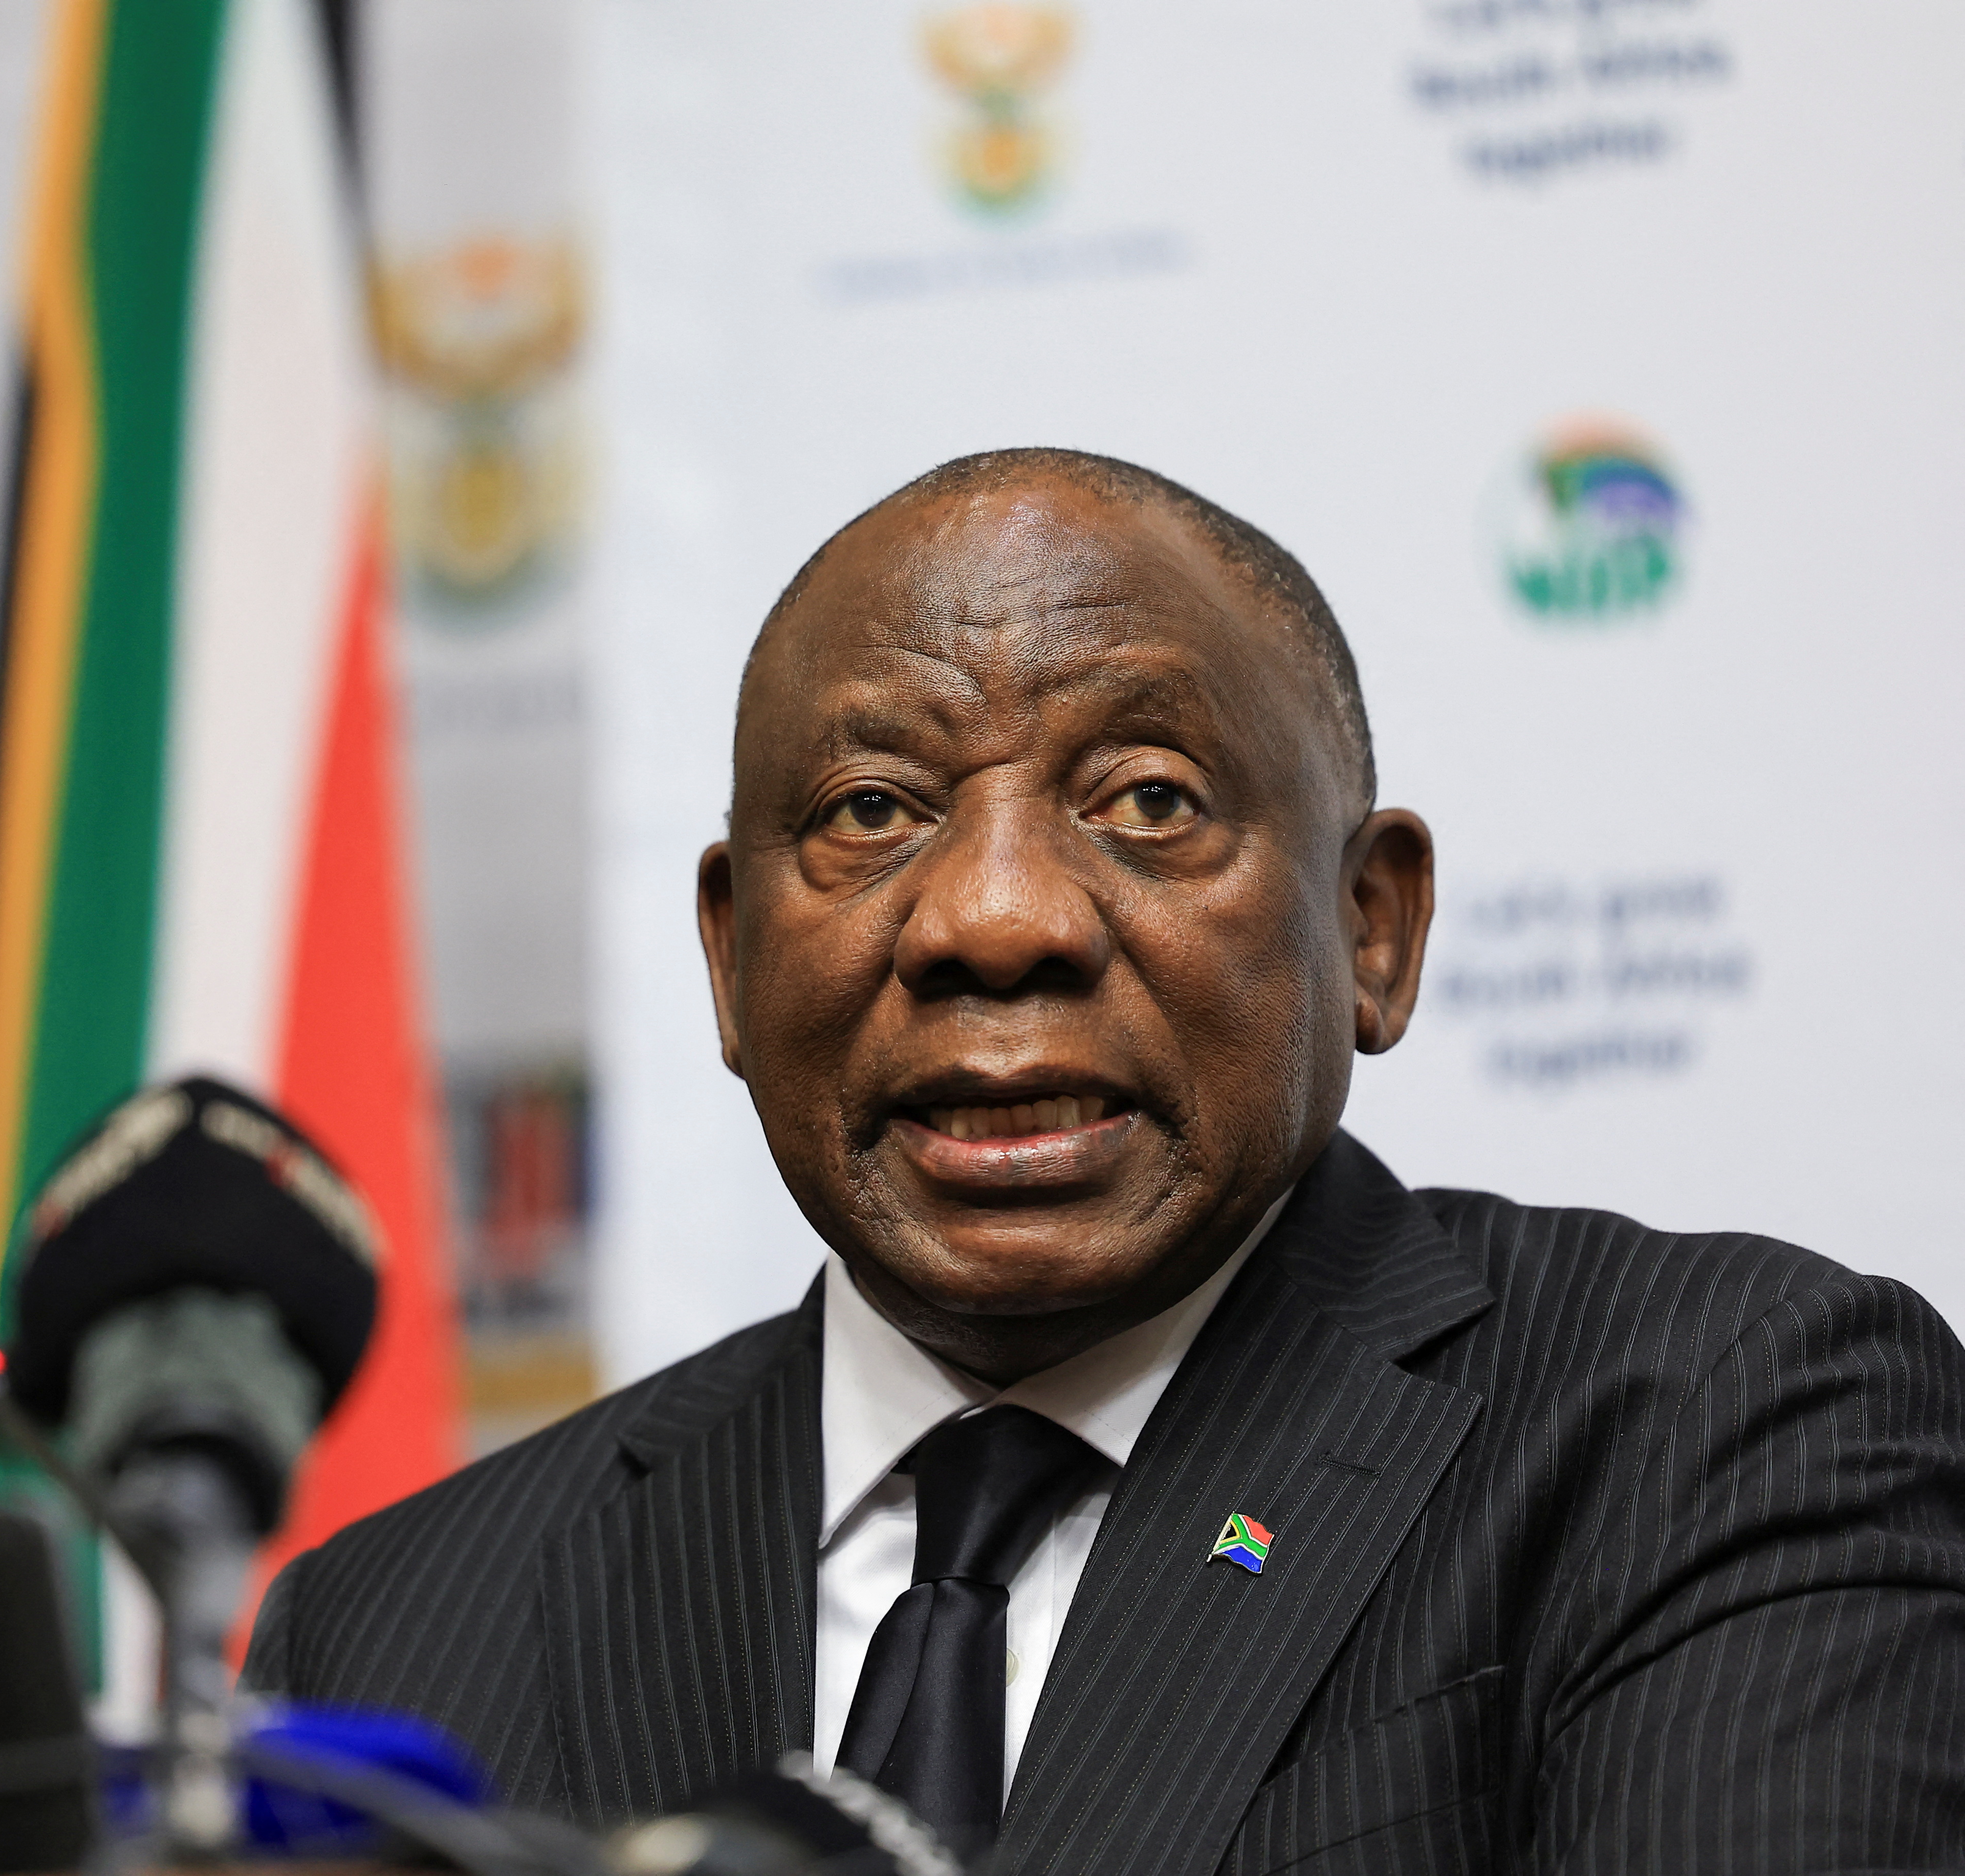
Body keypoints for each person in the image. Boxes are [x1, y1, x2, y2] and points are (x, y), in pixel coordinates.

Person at [243, 449, 1965, 1873]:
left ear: (1371, 928)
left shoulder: (1719, 1419)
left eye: (1146, 798)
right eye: (869, 809)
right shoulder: (394, 1626)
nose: (994, 919)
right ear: (729, 956)